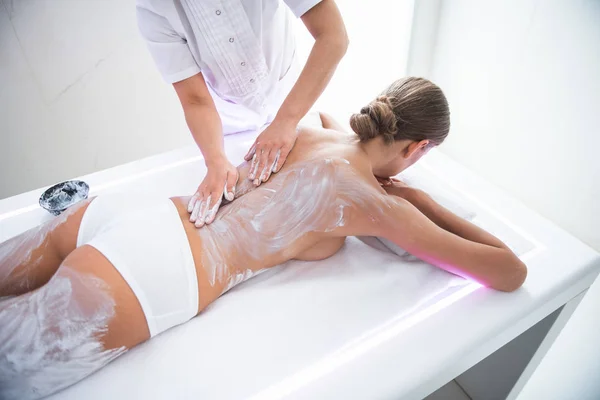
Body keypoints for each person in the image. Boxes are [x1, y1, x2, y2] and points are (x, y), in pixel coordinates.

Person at [0, 77, 526, 400]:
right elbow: (508, 271)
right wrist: (422, 201)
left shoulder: (307, 127)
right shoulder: (377, 204)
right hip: (156, 272)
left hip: (138, 215)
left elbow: (337, 127)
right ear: (418, 149)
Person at [136, 0, 349, 227]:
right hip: (230, 124)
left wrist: (286, 120)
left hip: (290, 97)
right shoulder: (153, 9)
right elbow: (195, 100)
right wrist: (216, 160)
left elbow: (333, 37)